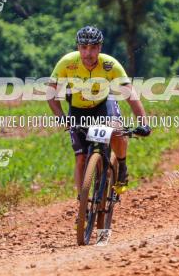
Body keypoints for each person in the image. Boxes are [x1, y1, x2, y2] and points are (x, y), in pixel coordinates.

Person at [47, 26, 150, 193]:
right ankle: (82, 205)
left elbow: (130, 95)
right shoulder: (67, 63)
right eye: (84, 48)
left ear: (100, 48)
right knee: (80, 158)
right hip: (78, 109)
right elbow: (50, 93)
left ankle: (122, 166)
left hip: (103, 105)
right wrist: (61, 117)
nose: (88, 53)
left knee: (117, 131)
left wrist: (144, 123)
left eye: (93, 47)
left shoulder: (110, 64)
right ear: (77, 47)